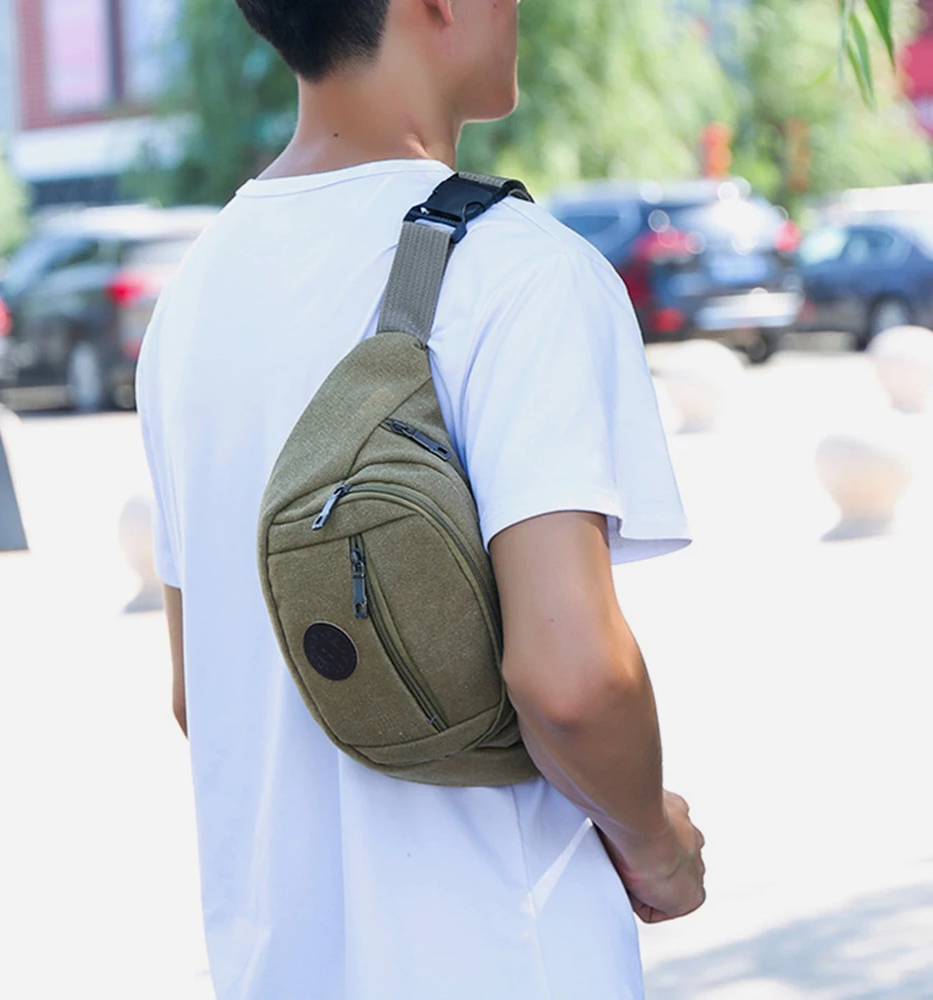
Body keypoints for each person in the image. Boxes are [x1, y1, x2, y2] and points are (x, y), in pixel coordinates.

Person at [136, 1, 706, 997]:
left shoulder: (190, 301)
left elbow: (201, 691)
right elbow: (571, 677)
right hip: (501, 956)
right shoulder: (520, 271)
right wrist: (653, 841)